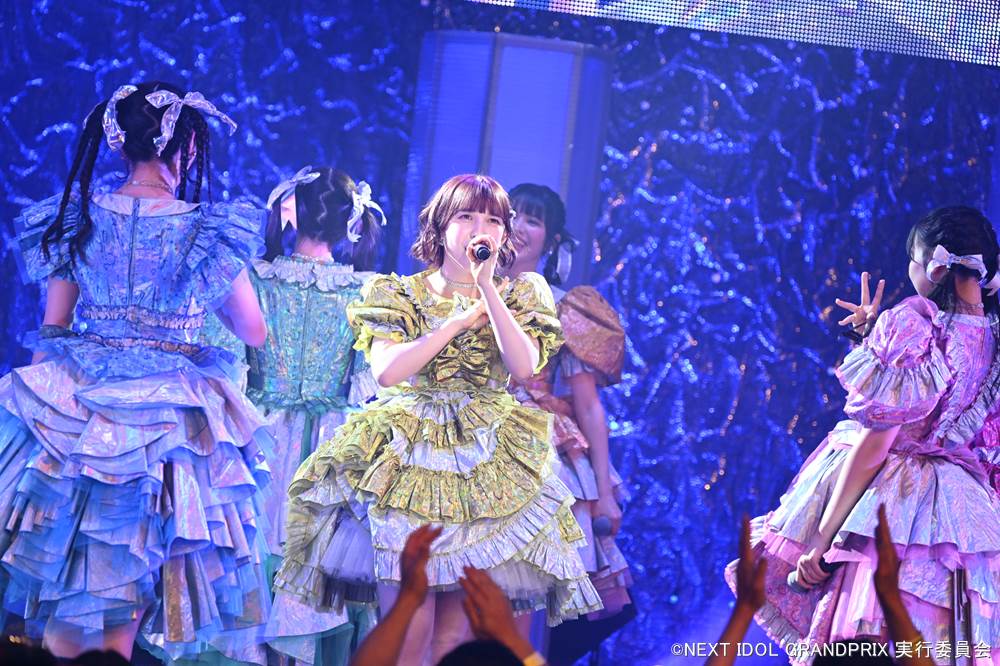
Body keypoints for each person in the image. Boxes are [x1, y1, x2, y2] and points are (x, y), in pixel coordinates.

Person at [274, 174, 601, 665]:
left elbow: (523, 366)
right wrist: (453, 324)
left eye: (493, 220)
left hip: (486, 463)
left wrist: (487, 289)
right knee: (408, 620)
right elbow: (387, 371)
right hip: (410, 455)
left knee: (457, 633)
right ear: (441, 225)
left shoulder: (520, 294)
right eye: (467, 216)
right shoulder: (398, 292)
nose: (481, 228)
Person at [0, 81, 273, 663]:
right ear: (188, 147)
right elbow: (253, 330)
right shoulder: (205, 229)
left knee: (68, 595)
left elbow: (54, 326)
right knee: (123, 602)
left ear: (119, 142)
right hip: (164, 418)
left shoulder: (78, 216)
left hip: (79, 405)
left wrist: (34, 420)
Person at [726, 206, 1000, 664]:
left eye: (913, 259)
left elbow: (877, 446)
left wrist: (822, 539)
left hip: (893, 502)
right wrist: (876, 334)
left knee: (860, 643)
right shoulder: (991, 334)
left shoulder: (912, 320)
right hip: (958, 512)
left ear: (934, 263)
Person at [253, 166, 384, 664]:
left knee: (257, 556)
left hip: (262, 439)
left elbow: (229, 365)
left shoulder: (257, 277)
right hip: (333, 447)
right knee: (315, 567)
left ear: (292, 211)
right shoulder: (366, 294)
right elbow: (369, 384)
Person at [504, 183, 632, 622]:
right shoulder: (465, 292)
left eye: (532, 220)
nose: (518, 227)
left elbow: (589, 407)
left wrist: (604, 495)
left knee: (516, 599)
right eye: (511, 215)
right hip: (465, 437)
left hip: (532, 450)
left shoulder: (564, 309)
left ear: (551, 241)